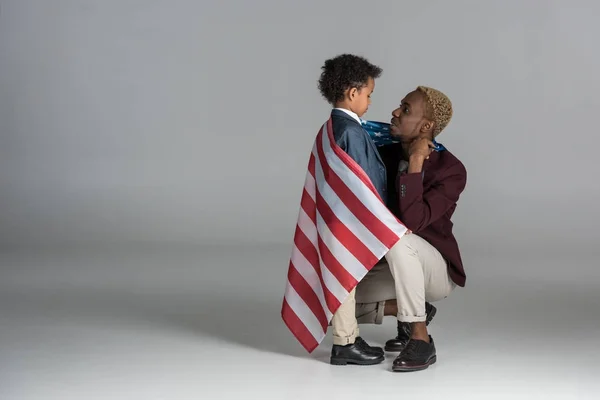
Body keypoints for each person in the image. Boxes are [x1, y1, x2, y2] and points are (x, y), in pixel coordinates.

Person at [354, 86, 467, 372]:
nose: (394, 113)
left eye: (405, 109)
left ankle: (420, 337)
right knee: (330, 307)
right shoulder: (383, 153)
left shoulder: (451, 170)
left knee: (400, 239)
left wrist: (415, 162)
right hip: (391, 263)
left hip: (434, 268)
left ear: (426, 126)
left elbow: (414, 223)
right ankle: (408, 312)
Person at [316, 54, 388, 365]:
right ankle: (344, 343)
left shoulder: (331, 127)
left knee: (346, 277)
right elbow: (364, 179)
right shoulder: (350, 131)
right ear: (353, 92)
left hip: (337, 215)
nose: (370, 102)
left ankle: (348, 338)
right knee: (346, 278)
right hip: (351, 218)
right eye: (369, 94)